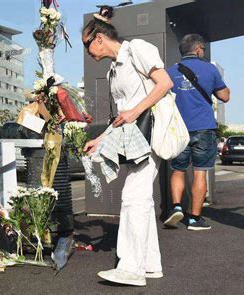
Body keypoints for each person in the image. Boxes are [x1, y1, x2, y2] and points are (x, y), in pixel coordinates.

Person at [81, 6, 173, 286]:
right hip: (132, 138)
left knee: (133, 197)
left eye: (87, 45)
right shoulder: (112, 71)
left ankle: (131, 268)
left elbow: (164, 83)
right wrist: (100, 138)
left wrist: (135, 111)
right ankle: (150, 264)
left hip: (150, 133)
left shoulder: (138, 49)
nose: (87, 52)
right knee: (140, 200)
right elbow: (121, 114)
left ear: (99, 38)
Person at [165, 34, 230, 230]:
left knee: (178, 169)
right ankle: (194, 219)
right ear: (199, 49)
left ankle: (176, 206)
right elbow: (225, 96)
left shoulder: (170, 71)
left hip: (179, 129)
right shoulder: (210, 69)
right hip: (204, 127)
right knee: (200, 173)